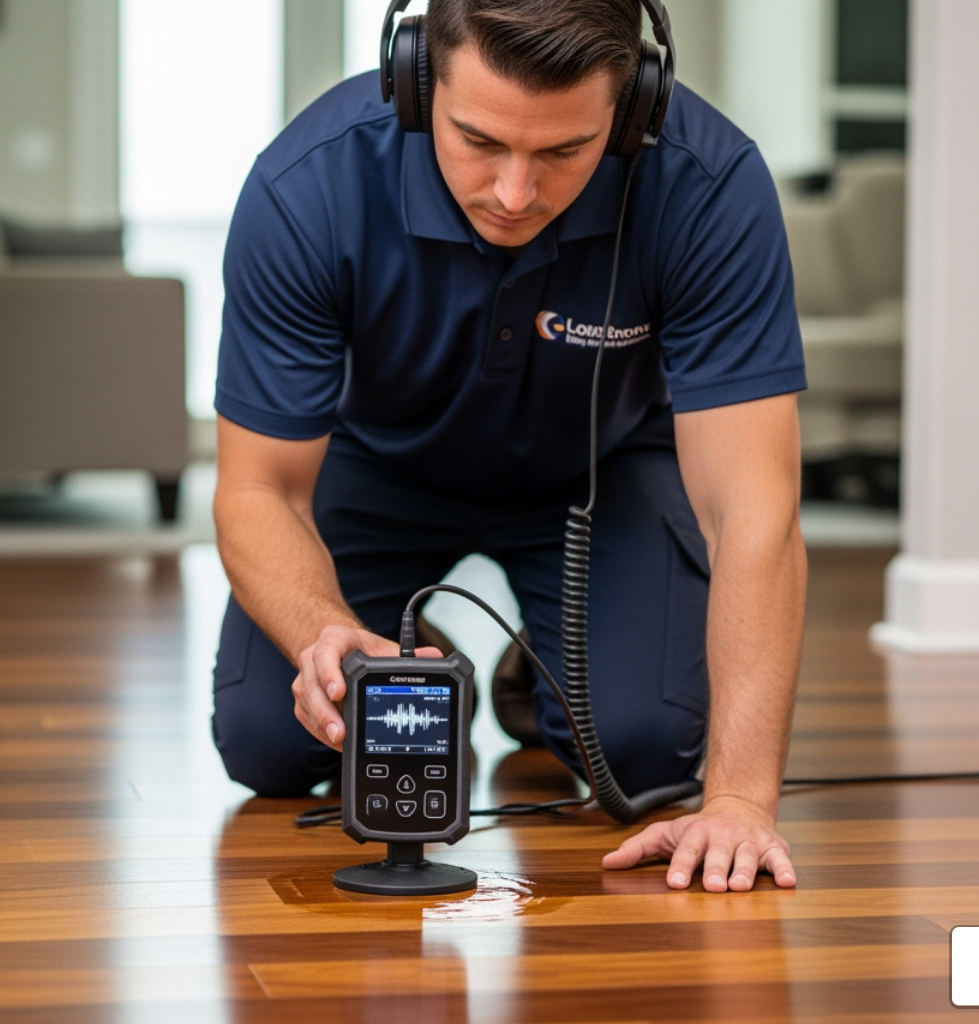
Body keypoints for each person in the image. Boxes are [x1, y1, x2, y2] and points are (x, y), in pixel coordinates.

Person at [211, 0, 807, 893]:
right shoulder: (307, 186)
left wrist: (743, 801)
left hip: (598, 479)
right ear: (416, 81)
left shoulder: (708, 185)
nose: (514, 193)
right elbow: (259, 490)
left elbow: (753, 511)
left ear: (635, 105)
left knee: (646, 755)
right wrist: (326, 631)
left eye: (565, 151)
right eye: (481, 141)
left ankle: (540, 659)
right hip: (372, 474)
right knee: (268, 738)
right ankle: (421, 636)